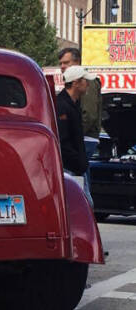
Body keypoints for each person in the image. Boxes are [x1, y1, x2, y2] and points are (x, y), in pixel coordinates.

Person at [58, 47, 102, 185]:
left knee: (81, 183)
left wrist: (77, 134)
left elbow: (89, 114)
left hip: (85, 138)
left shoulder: (88, 84)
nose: (62, 66)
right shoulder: (65, 102)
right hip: (77, 146)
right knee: (81, 184)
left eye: (66, 62)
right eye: (61, 64)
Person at [56, 65, 95, 206]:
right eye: (85, 80)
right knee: (83, 206)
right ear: (76, 83)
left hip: (76, 167)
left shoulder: (73, 104)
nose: (88, 84)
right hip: (69, 168)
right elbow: (62, 141)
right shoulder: (61, 105)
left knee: (85, 205)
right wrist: (78, 163)